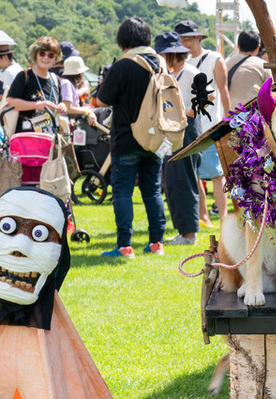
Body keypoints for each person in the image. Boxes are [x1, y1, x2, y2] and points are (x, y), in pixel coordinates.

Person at [96, 17, 167, 258]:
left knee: (123, 192)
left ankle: (125, 246)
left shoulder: (123, 65)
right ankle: (157, 243)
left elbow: (102, 99)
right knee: (152, 190)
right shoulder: (161, 63)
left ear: (123, 40)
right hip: (156, 137)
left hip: (127, 138)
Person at [175, 20, 230, 226]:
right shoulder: (179, 64)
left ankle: (223, 218)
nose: (184, 43)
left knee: (216, 174)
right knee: (194, 175)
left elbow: (223, 92)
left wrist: (229, 120)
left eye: (188, 38)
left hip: (211, 125)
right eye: (181, 39)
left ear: (198, 38)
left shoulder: (214, 58)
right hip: (187, 128)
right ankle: (203, 216)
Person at [155, 31, 202, 245]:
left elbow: (207, 97)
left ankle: (190, 234)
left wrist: (185, 114)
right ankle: (183, 231)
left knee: (184, 180)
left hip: (188, 129)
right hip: (174, 130)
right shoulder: (176, 73)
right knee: (172, 181)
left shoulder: (191, 72)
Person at [7, 36, 66, 133]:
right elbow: (10, 102)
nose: (46, 57)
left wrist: (62, 106)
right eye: (42, 53)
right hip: (27, 136)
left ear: (55, 58)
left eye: (50, 55)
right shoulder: (24, 76)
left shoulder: (56, 79)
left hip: (51, 136)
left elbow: (59, 102)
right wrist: (37, 105)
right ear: (35, 55)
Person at [225, 31, 273, 111]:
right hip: (253, 117)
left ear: (238, 46)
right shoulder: (263, 65)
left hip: (230, 116)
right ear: (258, 48)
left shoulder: (226, 63)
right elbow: (271, 91)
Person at [60, 56, 97, 126]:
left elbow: (76, 107)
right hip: (67, 123)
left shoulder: (71, 83)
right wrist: (88, 112)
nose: (83, 74)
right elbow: (68, 109)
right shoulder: (66, 83)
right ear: (78, 73)